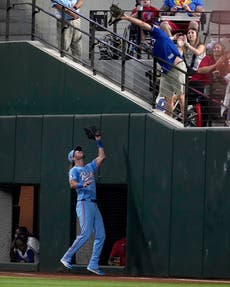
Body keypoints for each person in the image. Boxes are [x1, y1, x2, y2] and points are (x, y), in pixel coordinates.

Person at [115, 9, 186, 117]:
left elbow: (142, 24)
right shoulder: (159, 41)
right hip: (165, 71)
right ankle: (168, 122)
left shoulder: (159, 33)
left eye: (155, 26)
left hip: (176, 68)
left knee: (181, 96)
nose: (154, 27)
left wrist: (127, 17)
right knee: (168, 99)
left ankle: (185, 122)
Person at [60, 134, 106, 276]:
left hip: (93, 204)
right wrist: (82, 184)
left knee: (101, 235)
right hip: (84, 203)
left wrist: (98, 141)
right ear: (73, 158)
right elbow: (72, 184)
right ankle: (67, 257)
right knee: (85, 233)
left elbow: (102, 157)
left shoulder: (89, 167)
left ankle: (93, 264)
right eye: (76, 152)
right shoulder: (74, 170)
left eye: (79, 150)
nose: (79, 151)